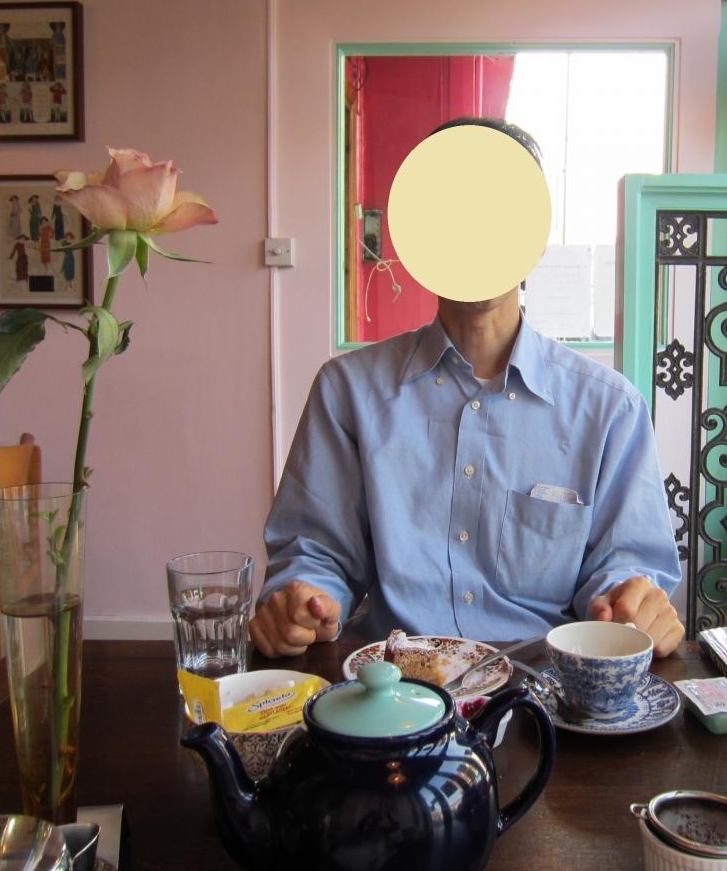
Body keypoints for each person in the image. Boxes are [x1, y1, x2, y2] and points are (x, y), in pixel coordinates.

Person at [251, 117, 683, 660]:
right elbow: (316, 555)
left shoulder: (610, 408)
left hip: (544, 684)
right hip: (394, 684)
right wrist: (303, 602)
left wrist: (633, 602)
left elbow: (624, 569)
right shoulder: (347, 392)